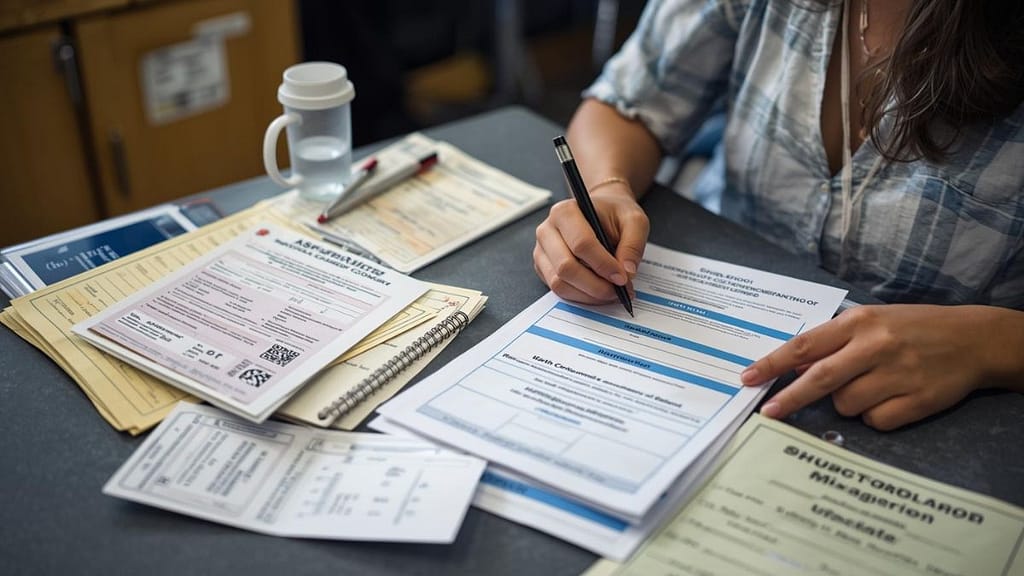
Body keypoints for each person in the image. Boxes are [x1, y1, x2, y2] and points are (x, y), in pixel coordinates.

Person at [532, 0, 1024, 430]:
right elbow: (625, 105)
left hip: (939, 415)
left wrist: (989, 345)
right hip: (718, 314)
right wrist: (607, 187)